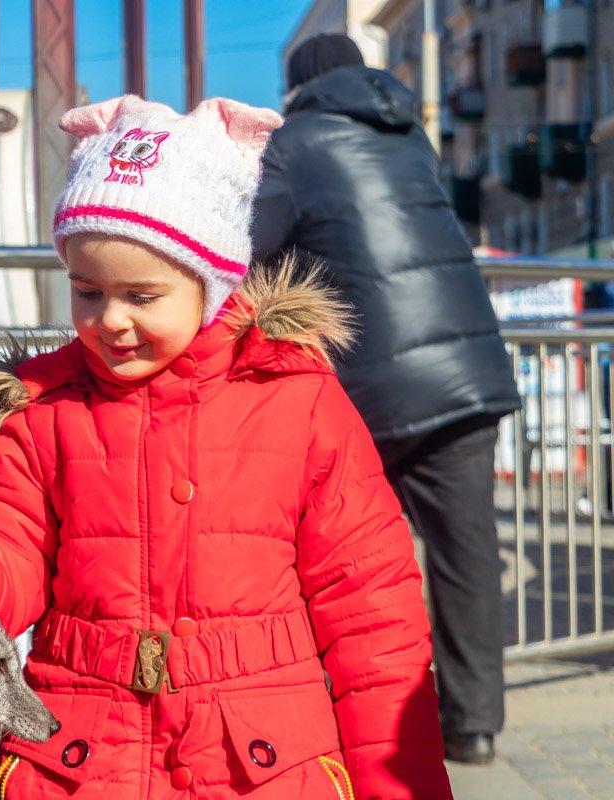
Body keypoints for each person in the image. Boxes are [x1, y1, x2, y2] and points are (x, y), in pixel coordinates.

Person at [0, 94, 453, 798]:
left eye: (141, 296)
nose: (109, 320)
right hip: (85, 756)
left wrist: (402, 785)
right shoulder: (48, 407)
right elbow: (8, 527)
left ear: (209, 285)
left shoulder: (296, 400)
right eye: (87, 292)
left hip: (260, 765)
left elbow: (372, 617)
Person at [250, 33, 522, 765]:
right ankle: (475, 725)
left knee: (348, 558)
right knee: (467, 556)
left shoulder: (295, 144)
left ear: (298, 86)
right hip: (467, 371)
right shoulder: (410, 135)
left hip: (375, 388)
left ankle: (349, 714)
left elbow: (247, 249)